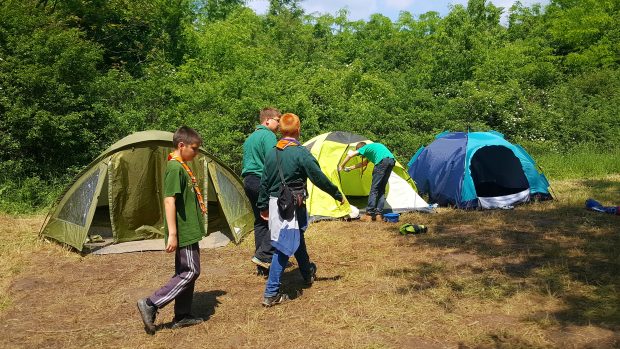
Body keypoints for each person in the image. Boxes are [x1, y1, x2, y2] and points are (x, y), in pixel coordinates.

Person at [257, 113, 344, 307]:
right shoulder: (301, 152)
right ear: (298, 130)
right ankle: (271, 293)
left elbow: (264, 181)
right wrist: (336, 194)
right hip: (291, 207)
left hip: (274, 203)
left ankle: (306, 273)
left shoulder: (272, 152)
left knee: (297, 239)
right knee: (283, 246)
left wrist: (263, 205)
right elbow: (318, 177)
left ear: (281, 130)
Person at [137, 126, 206, 335]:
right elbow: (169, 201)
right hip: (183, 231)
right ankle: (151, 303)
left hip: (189, 229)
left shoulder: (182, 165)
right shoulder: (175, 168)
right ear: (181, 145)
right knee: (191, 271)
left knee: (184, 272)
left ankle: (182, 315)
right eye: (194, 149)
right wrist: (173, 234)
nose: (197, 153)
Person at [241, 107, 281, 275]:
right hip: (261, 181)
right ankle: (264, 255)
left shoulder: (250, 138)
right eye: (277, 120)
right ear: (267, 121)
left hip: (248, 181)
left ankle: (261, 264)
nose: (279, 124)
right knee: (277, 219)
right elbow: (273, 161)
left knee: (260, 220)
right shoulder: (269, 135)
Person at [338, 141, 396, 221]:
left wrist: (341, 166)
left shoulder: (364, 148)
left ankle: (369, 214)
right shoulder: (372, 148)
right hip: (391, 161)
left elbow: (350, 155)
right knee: (381, 189)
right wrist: (350, 168)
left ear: (360, 148)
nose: (361, 156)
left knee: (374, 189)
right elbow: (363, 164)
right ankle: (378, 215)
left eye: (360, 154)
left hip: (382, 162)